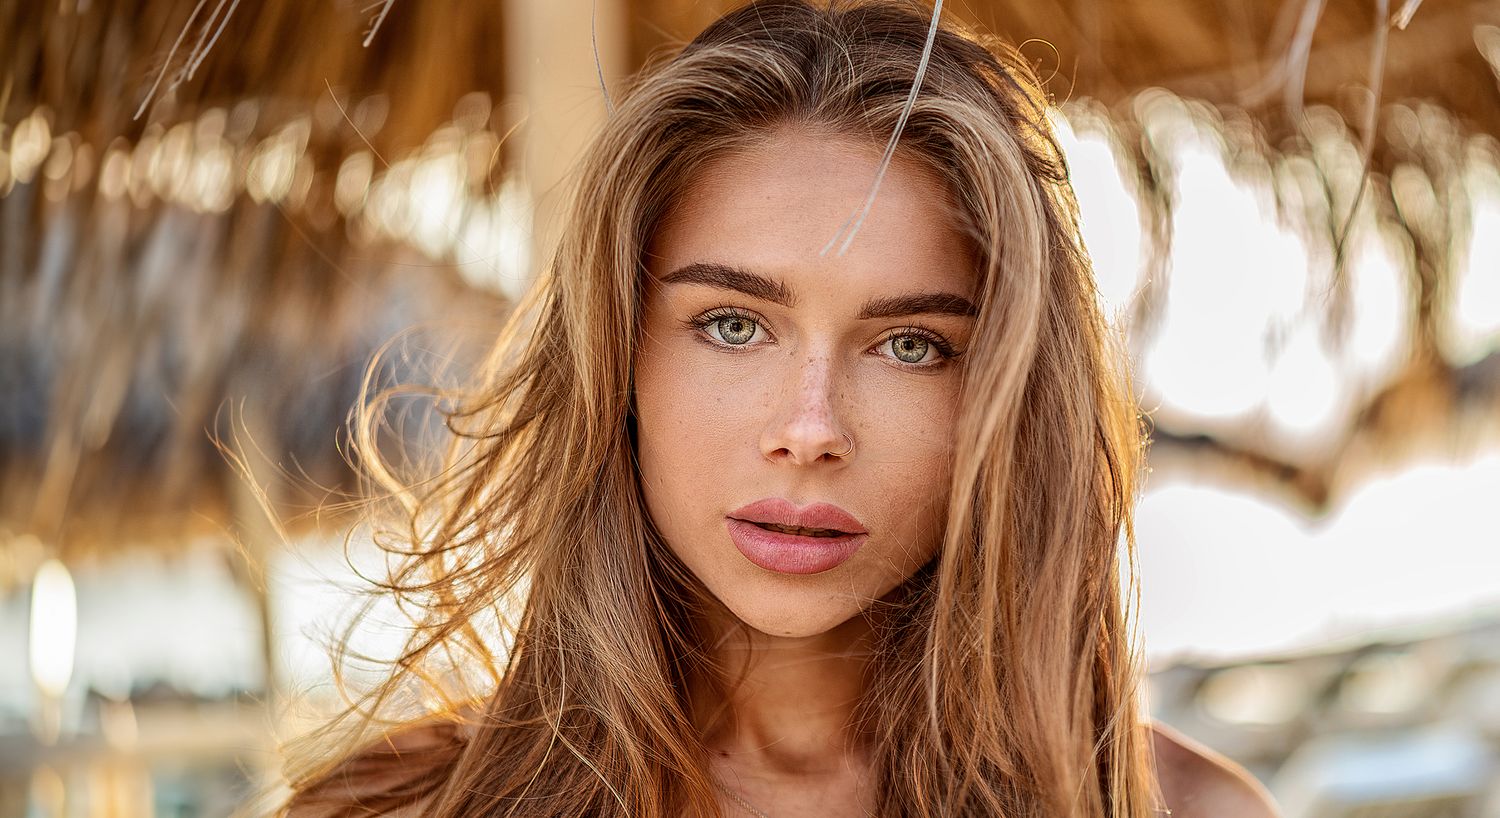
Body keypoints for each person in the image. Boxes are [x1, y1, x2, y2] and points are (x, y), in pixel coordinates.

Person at [272, 1, 1282, 815]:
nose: (810, 427)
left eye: (911, 344)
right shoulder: (403, 807)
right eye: (733, 324)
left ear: (1007, 395)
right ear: (620, 357)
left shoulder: (1170, 807)